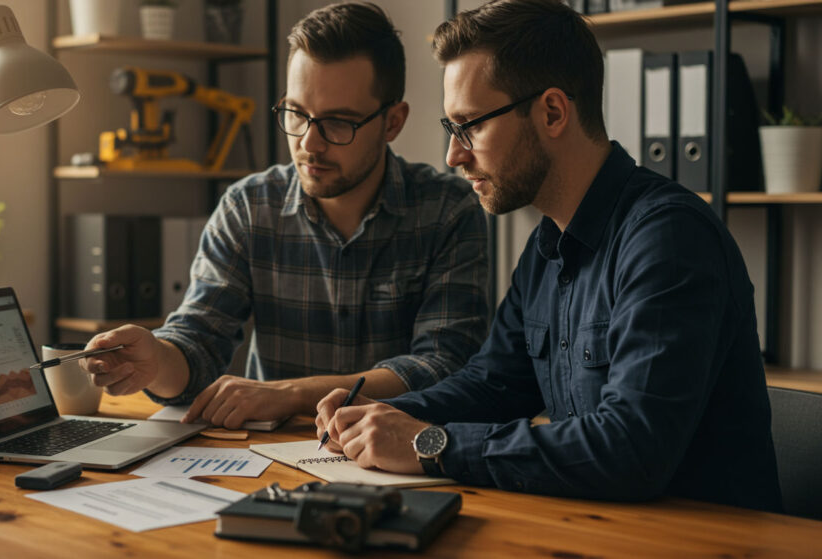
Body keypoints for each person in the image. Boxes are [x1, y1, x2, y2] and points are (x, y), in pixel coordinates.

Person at [315, 0, 782, 512]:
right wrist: (380, 413)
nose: (454, 155)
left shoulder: (670, 238)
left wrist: (430, 444)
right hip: (601, 527)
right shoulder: (547, 245)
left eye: (470, 125)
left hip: (706, 537)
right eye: (452, 128)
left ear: (553, 113)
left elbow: (631, 449)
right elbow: (493, 385)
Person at [80, 2, 488, 429]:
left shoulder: (446, 210)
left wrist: (292, 394)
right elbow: (198, 341)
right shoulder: (249, 206)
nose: (309, 143)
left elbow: (444, 366)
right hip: (270, 456)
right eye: (296, 114)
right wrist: (156, 361)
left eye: (338, 122)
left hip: (398, 451)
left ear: (392, 123)